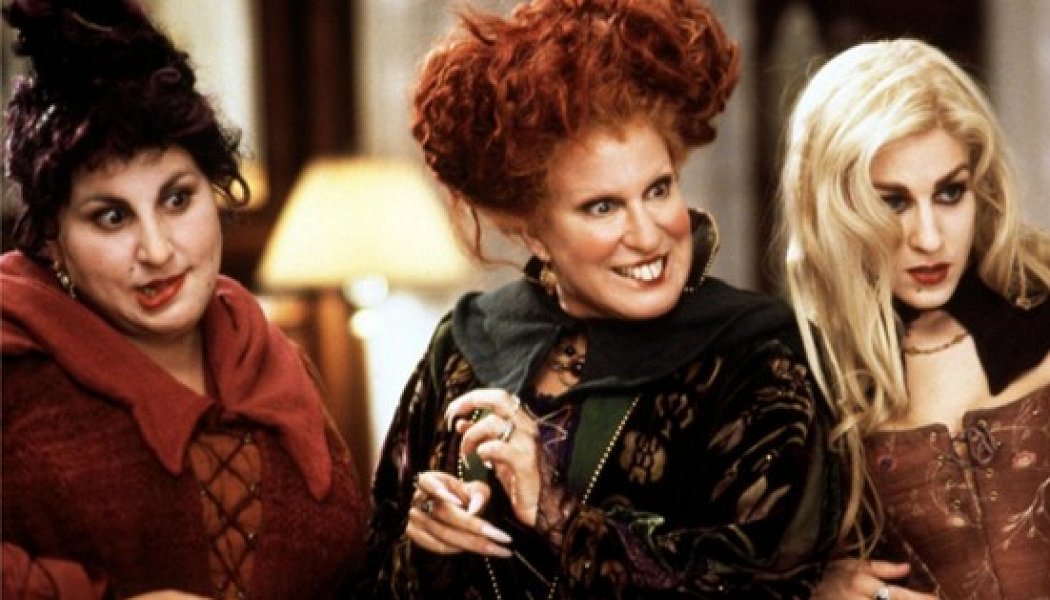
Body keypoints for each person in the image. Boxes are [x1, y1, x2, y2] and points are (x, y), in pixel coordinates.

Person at [354, 0, 847, 597]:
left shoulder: (759, 356)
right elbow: (370, 576)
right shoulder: (462, 348)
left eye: (658, 189)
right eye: (603, 207)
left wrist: (556, 514)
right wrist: (429, 547)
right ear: (534, 233)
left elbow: (769, 586)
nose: (648, 234)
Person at [0, 0, 367, 597]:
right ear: (53, 242)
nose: (156, 250)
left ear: (213, 193)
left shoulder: (275, 357)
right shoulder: (13, 367)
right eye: (112, 216)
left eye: (177, 200)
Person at [777, 38, 1050, 600]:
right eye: (893, 202)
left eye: (950, 192)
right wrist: (817, 588)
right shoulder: (806, 373)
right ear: (835, 208)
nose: (928, 238)